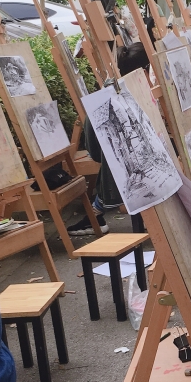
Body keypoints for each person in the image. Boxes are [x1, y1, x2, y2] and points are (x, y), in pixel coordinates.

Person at [68, 42, 151, 236]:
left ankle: (95, 214)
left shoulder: (109, 96)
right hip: (122, 168)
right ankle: (95, 214)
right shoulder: (131, 95)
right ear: (145, 69)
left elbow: (95, 151)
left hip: (116, 168)